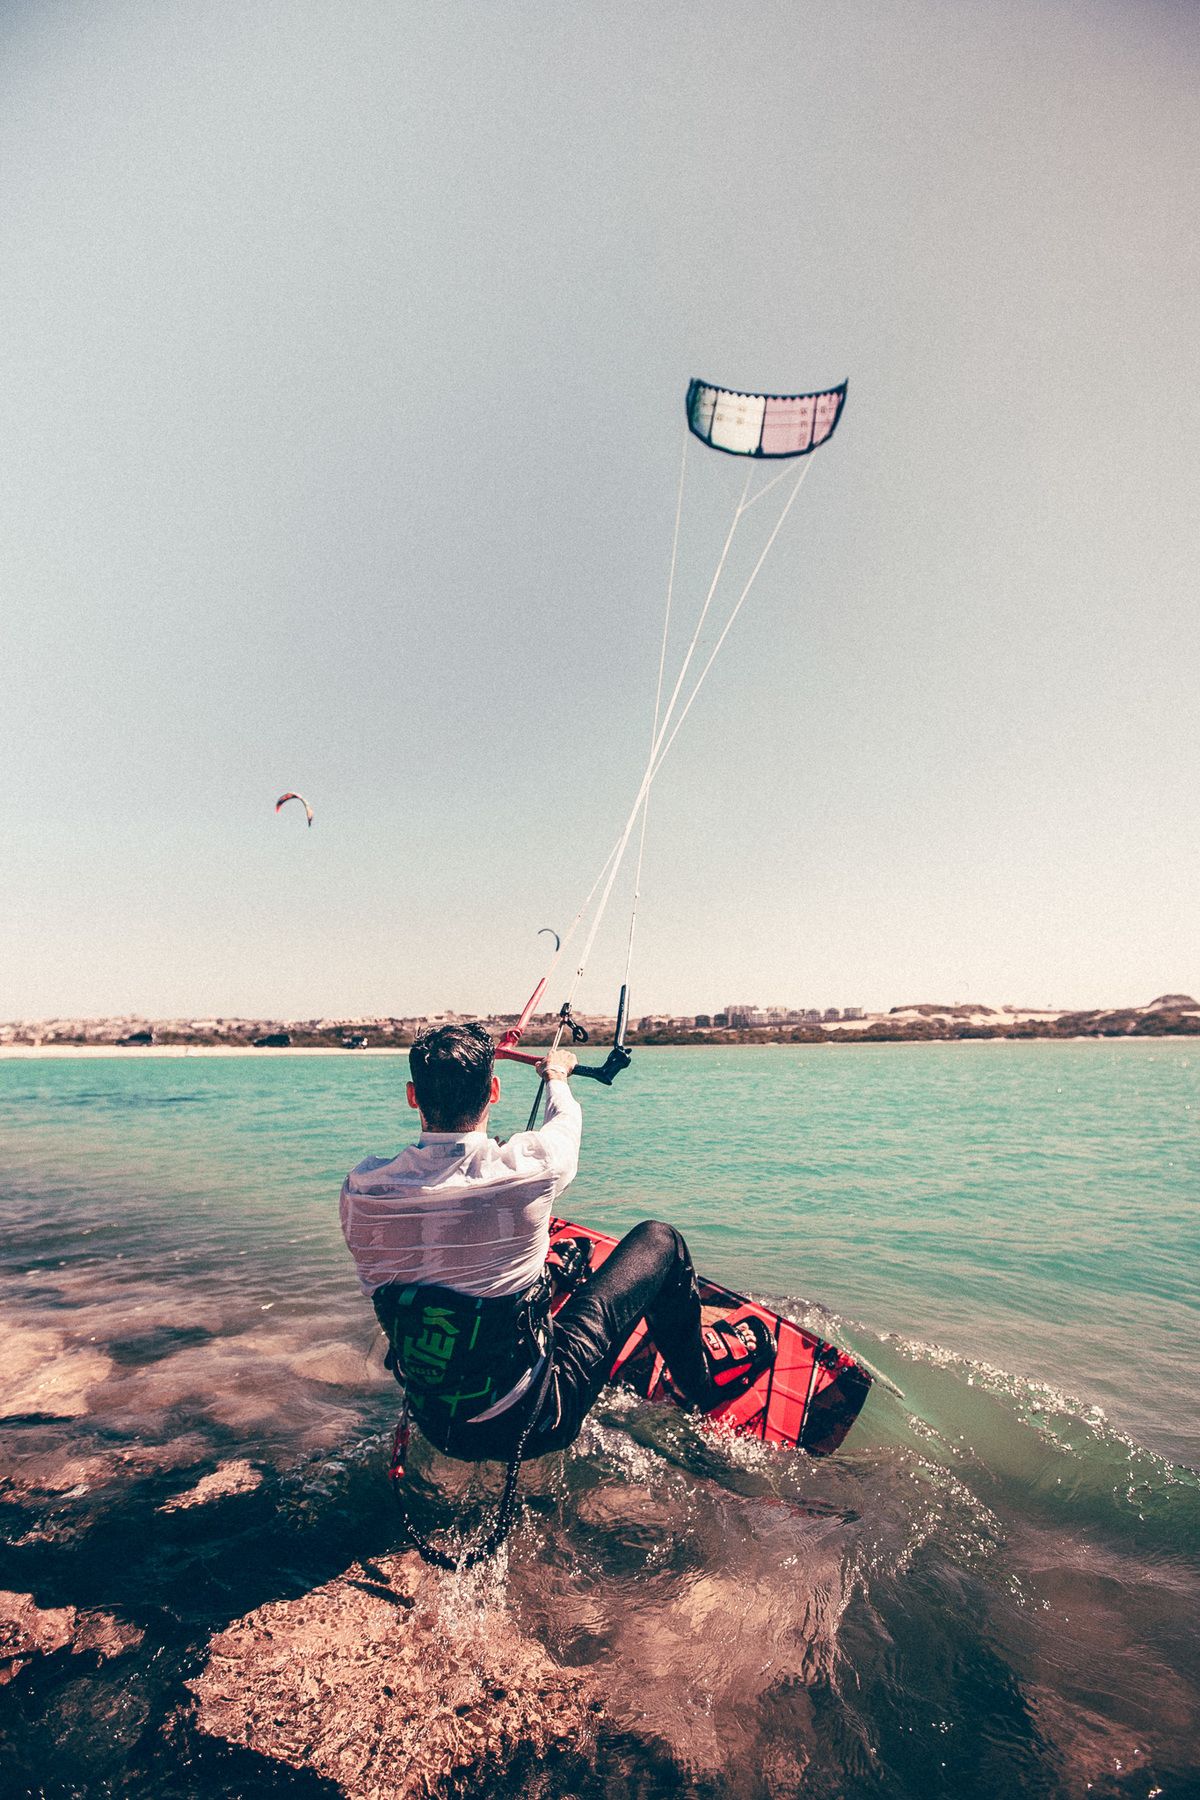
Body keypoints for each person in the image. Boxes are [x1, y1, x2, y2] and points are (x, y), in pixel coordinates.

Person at [340, 1021, 774, 1472]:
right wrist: (556, 1075)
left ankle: (552, 1279)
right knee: (660, 1240)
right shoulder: (531, 1167)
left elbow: (436, 1235)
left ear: (413, 1096)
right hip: (537, 1416)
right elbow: (564, 1122)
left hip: (437, 1424)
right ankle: (701, 1385)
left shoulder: (361, 1189)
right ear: (494, 1091)